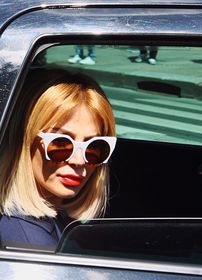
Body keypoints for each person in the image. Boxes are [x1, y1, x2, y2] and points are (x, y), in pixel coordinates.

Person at [0, 69, 116, 248]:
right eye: (61, 144)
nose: (79, 160)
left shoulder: (51, 223)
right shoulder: (29, 244)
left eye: (94, 147)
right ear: (23, 142)